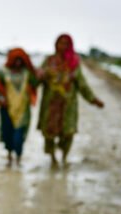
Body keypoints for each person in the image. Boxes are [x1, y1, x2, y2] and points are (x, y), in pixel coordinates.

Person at [37, 33, 104, 167]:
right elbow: (36, 79)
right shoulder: (49, 61)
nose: (62, 46)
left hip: (68, 106)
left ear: (70, 46)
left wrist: (93, 99)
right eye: (60, 43)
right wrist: (40, 75)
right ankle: (53, 158)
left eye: (66, 43)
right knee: (49, 133)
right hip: (51, 105)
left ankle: (64, 156)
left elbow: (82, 84)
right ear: (55, 44)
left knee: (68, 133)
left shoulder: (74, 63)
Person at [0, 48, 38, 166]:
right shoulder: (3, 72)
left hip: (23, 109)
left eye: (20, 60)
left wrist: (38, 74)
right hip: (7, 109)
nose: (18, 63)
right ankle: (9, 157)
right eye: (16, 60)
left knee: (19, 136)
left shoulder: (27, 73)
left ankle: (18, 158)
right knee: (8, 133)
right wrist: (0, 98)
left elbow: (36, 83)